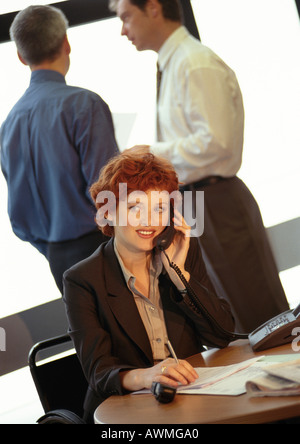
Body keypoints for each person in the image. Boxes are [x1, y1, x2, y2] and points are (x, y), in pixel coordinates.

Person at [109, 0, 289, 332]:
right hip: (195, 202)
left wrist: (152, 153)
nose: (123, 30)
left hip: (216, 199)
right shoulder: (175, 63)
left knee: (258, 314)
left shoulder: (195, 63)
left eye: (125, 18)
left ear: (152, 8)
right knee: (228, 316)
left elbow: (216, 143)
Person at [63, 149, 235, 423]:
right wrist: (146, 375)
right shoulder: (83, 279)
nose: (150, 221)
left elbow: (221, 336)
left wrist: (181, 279)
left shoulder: (181, 251)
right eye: (135, 207)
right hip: (124, 411)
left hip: (190, 397)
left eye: (159, 208)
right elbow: (99, 372)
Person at [0, 5, 119, 293]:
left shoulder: (8, 125)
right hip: (103, 250)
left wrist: (56, 247)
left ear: (20, 56)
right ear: (66, 43)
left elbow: (20, 219)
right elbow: (110, 196)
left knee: (91, 338)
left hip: (58, 261)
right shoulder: (85, 104)